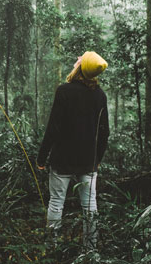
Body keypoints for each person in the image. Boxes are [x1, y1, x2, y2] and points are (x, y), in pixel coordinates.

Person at [36, 51, 109, 251]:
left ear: (80, 67)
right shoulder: (100, 95)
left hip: (62, 160)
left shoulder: (64, 91)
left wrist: (41, 158)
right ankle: (90, 251)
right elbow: (105, 133)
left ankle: (51, 249)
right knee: (90, 207)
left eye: (79, 60)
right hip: (88, 161)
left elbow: (53, 128)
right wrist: (98, 159)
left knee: (56, 203)